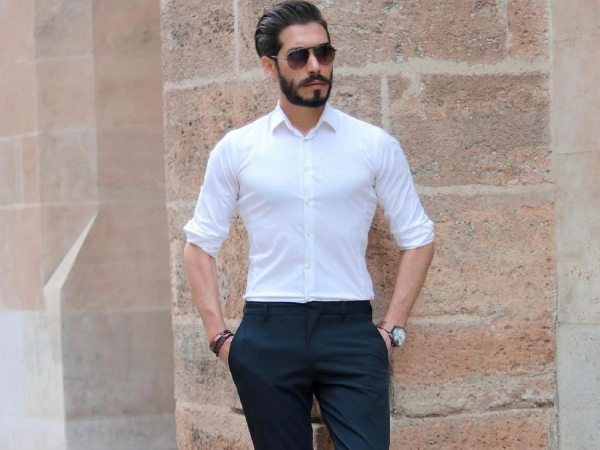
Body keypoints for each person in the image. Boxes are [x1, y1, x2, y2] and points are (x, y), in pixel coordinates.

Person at [183, 1, 434, 448]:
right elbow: (199, 244)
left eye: (324, 53)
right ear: (269, 66)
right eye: (299, 56)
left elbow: (419, 237)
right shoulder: (237, 149)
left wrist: (390, 331)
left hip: (350, 330)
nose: (315, 66)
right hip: (268, 328)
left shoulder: (373, 145)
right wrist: (219, 337)